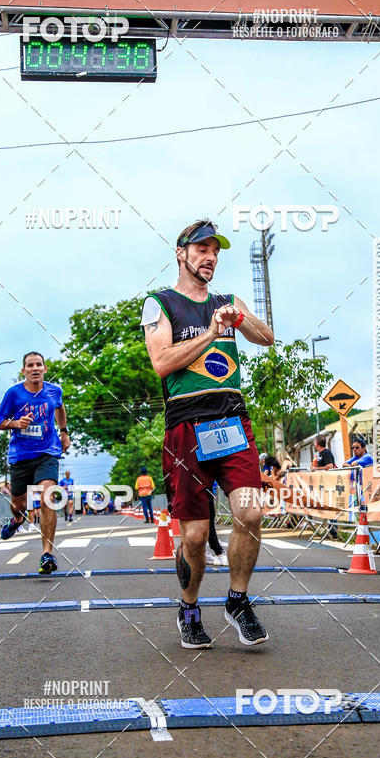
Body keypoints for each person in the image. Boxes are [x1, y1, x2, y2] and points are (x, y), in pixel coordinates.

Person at [142, 219, 274, 648]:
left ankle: (237, 600)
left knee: (251, 512)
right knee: (195, 536)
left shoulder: (226, 300)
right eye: (202, 250)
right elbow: (162, 362)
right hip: (186, 425)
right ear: (181, 253)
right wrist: (212, 333)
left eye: (215, 251)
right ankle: (189, 606)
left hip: (233, 419)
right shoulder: (159, 303)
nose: (211, 257)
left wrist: (237, 319)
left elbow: (266, 338)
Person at [0, 351, 70, 574]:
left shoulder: (54, 390)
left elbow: (60, 408)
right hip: (20, 455)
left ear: (45, 369)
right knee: (18, 504)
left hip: (47, 451)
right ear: (24, 370)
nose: (35, 368)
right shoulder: (13, 394)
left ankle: (47, 553)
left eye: (39, 365)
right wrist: (17, 423)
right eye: (30, 365)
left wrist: (64, 432)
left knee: (48, 496)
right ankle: (17, 520)